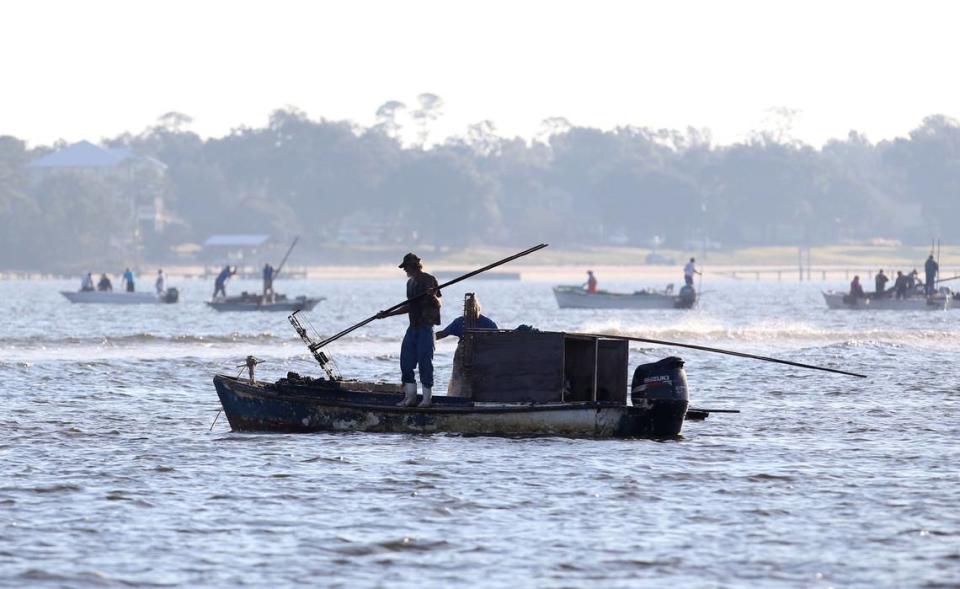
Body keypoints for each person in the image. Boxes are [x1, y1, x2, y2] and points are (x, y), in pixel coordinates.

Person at [375, 253, 442, 407]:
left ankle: (426, 399)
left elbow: (439, 304)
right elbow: (410, 306)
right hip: (413, 328)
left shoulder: (429, 279)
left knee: (425, 362)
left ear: (414, 266)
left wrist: (432, 296)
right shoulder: (410, 283)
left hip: (426, 327)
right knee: (405, 363)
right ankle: (410, 397)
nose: (405, 271)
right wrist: (387, 314)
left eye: (406, 267)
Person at [437, 293, 498, 397]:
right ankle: (458, 397)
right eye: (468, 308)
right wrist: (427, 338)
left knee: (476, 379)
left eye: (472, 308)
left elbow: (496, 338)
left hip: (480, 355)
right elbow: (443, 333)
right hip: (462, 355)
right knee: (459, 379)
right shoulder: (460, 322)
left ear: (478, 308)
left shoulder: (487, 323)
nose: (470, 311)